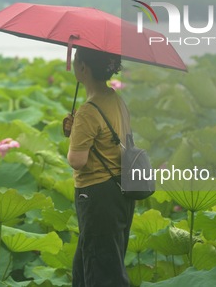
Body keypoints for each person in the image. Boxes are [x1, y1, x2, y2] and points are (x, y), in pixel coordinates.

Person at [63, 47, 135, 287]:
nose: (74, 65)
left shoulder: (88, 111)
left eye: (75, 60)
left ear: (83, 67)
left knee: (103, 274)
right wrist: (77, 131)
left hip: (96, 195)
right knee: (88, 268)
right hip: (120, 191)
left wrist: (75, 135)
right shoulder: (115, 99)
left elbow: (77, 161)